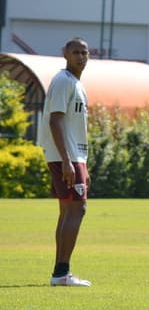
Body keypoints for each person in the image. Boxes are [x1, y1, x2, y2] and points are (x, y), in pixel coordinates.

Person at [38, 37, 92, 287]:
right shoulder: (63, 81)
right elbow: (55, 120)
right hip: (65, 157)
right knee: (76, 209)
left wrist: (83, 163)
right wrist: (68, 161)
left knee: (67, 210)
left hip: (73, 156)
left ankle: (60, 272)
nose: (81, 57)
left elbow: (73, 126)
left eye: (84, 52)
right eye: (76, 52)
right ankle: (61, 273)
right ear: (65, 54)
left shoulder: (75, 83)